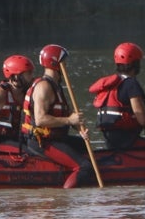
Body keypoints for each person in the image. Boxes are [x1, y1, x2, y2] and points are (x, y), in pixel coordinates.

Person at [22, 44, 93, 188]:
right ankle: (65, 196)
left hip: (56, 138)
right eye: (64, 61)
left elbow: (65, 115)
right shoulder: (44, 87)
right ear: (56, 63)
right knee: (85, 166)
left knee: (83, 146)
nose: (66, 65)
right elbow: (41, 119)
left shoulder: (56, 85)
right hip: (43, 142)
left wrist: (78, 127)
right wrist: (69, 120)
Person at [88, 42, 145, 150]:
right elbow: (142, 120)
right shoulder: (131, 84)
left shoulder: (112, 84)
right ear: (135, 64)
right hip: (127, 142)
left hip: (110, 141)